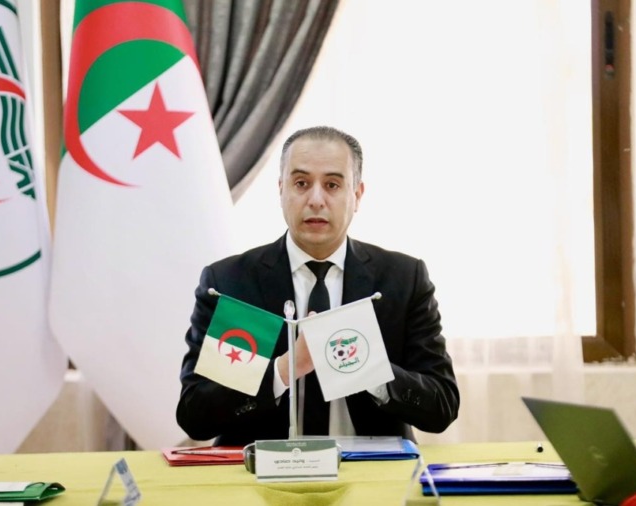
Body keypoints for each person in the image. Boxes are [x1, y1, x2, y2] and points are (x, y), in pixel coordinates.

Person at [176, 125, 460, 446]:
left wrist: (367, 369)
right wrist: (285, 369)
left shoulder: (403, 278)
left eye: (332, 185)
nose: (315, 200)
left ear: (357, 195)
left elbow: (442, 407)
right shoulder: (233, 282)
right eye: (301, 183)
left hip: (373, 470)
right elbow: (195, 415)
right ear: (281, 190)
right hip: (261, 471)